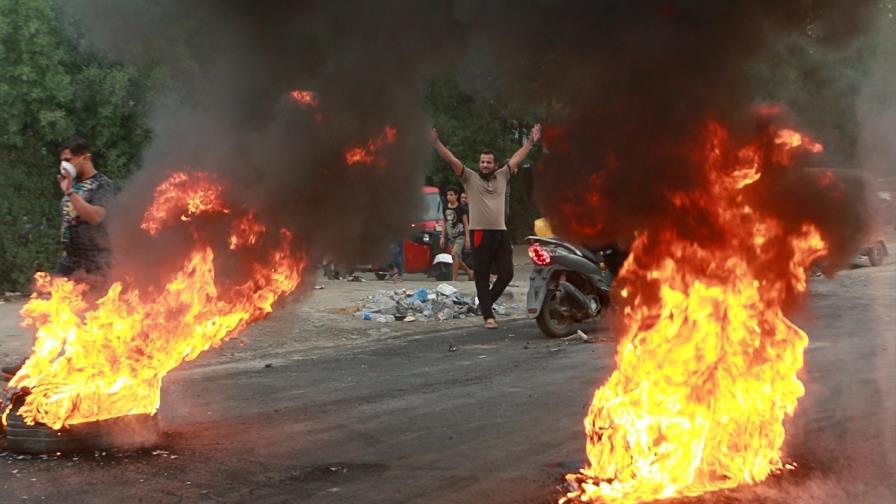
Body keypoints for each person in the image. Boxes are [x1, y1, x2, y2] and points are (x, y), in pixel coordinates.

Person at [3, 137, 115, 380]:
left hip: (96, 261)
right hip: (71, 259)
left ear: (85, 156)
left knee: (95, 316)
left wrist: (71, 193)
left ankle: (97, 369)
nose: (64, 165)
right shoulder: (70, 184)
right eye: (62, 161)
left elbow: (96, 217)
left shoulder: (102, 185)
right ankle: (35, 363)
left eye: (68, 159)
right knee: (46, 305)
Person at [431, 124, 542, 329]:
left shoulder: (503, 176)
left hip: (500, 233)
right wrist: (436, 143)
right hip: (480, 233)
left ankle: (485, 303)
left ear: (495, 164)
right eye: (482, 162)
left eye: (488, 162)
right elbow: (452, 160)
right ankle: (488, 316)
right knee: (481, 275)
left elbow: (517, 158)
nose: (484, 165)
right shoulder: (470, 178)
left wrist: (531, 141)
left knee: (507, 273)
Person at [439, 186, 473, 281]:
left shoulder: (461, 209)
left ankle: (455, 279)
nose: (449, 197)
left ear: (456, 196)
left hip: (460, 236)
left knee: (454, 254)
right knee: (457, 258)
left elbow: (466, 224)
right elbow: (444, 222)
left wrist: (467, 239)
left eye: (451, 195)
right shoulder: (445, 207)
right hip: (451, 237)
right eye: (447, 195)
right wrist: (442, 236)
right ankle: (469, 272)